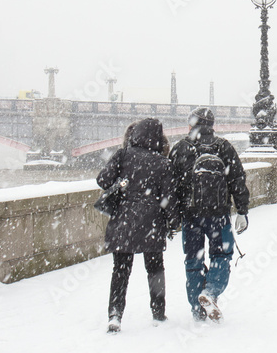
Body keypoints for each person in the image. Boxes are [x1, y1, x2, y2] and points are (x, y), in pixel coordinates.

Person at [97, 118, 180, 333]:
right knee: (155, 270)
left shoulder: (123, 155)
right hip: (152, 225)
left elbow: (103, 181)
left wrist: (122, 182)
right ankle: (158, 313)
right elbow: (169, 199)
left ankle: (115, 315)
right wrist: (174, 222)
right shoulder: (164, 163)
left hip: (123, 223)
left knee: (120, 271)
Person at [169, 107, 250, 323]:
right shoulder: (224, 147)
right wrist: (242, 210)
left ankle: (197, 307)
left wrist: (172, 216)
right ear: (212, 125)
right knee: (221, 256)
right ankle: (211, 292)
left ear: (191, 125)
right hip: (218, 214)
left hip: (191, 215)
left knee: (193, 260)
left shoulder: (180, 149)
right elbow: (237, 181)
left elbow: (170, 187)